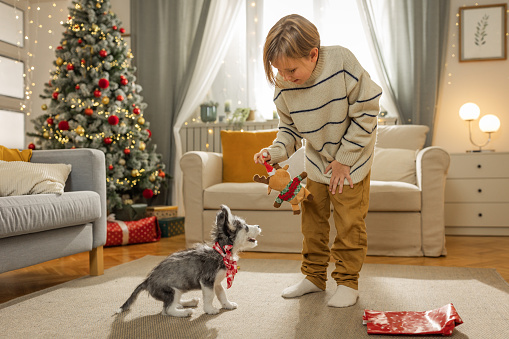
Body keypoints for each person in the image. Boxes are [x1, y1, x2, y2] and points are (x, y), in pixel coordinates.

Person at [253, 14, 382, 308]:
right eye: (277, 70)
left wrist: (345, 159)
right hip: (318, 162)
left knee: (349, 224)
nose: (284, 77)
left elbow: (367, 112)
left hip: (351, 164)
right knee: (312, 223)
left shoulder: (342, 62)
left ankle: (347, 282)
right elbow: (289, 129)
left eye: (291, 69)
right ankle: (313, 278)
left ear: (313, 54)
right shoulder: (283, 83)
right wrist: (273, 153)